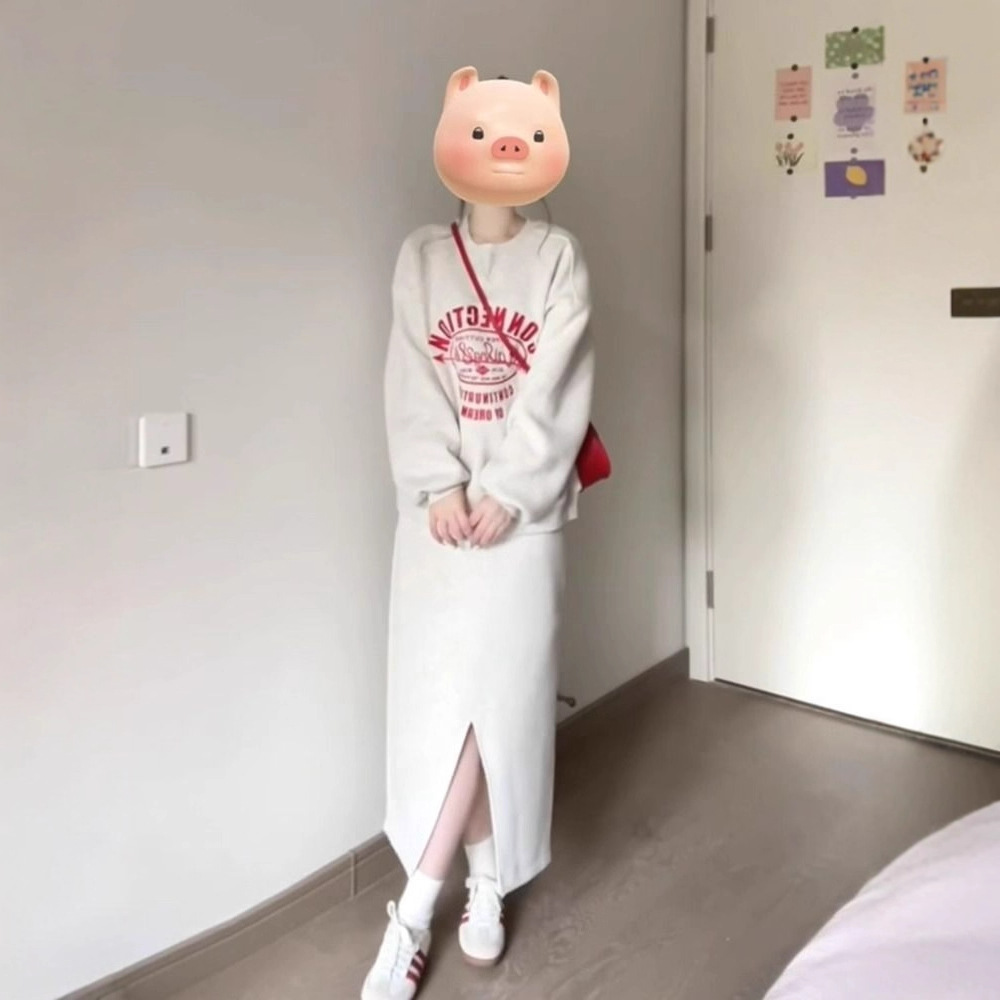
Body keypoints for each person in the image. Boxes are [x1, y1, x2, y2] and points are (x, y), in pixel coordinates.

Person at [362, 65, 596, 1000]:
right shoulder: (421, 257)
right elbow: (409, 377)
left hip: (521, 523)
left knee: (499, 702)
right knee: (441, 707)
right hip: (436, 526)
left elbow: (560, 383)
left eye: (526, 132)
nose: (503, 147)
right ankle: (486, 880)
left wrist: (506, 488)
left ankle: (416, 910)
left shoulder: (557, 258)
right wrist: (440, 484)